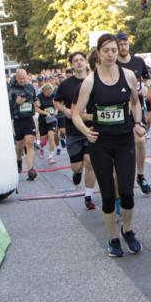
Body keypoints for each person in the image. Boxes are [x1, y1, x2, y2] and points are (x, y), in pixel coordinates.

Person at [72, 34, 145, 257]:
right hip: (101, 144)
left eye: (114, 50)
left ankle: (128, 230)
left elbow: (135, 103)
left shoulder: (129, 75)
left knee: (127, 192)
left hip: (124, 142)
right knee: (106, 195)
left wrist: (138, 123)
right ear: (99, 53)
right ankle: (113, 238)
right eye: (107, 51)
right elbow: (76, 114)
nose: (111, 54)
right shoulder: (90, 81)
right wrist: (86, 131)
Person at [55, 51, 98, 211]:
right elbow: (56, 101)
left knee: (89, 162)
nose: (79, 63)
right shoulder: (66, 84)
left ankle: (88, 196)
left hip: (90, 129)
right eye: (75, 61)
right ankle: (77, 174)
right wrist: (64, 110)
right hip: (73, 130)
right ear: (72, 64)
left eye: (81, 60)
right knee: (77, 166)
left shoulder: (94, 80)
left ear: (86, 62)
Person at [116, 33, 151, 196]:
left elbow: (147, 78)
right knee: (122, 146)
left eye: (125, 44)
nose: (123, 47)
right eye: (120, 44)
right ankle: (122, 180)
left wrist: (146, 87)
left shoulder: (138, 61)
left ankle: (140, 175)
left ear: (129, 44)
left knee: (140, 140)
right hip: (119, 108)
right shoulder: (113, 62)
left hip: (137, 106)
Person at [9, 68, 39, 180]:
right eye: (20, 78)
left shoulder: (30, 87)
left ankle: (31, 170)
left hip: (28, 118)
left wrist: (37, 102)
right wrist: (15, 103)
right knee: (20, 145)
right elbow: (6, 106)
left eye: (24, 78)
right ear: (16, 78)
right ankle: (19, 159)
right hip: (17, 119)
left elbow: (35, 99)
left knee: (30, 142)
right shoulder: (10, 89)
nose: (22, 80)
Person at [35, 82, 60, 165]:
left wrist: (56, 111)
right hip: (43, 120)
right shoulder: (39, 97)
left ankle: (51, 157)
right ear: (44, 90)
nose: (49, 94)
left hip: (52, 120)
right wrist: (45, 113)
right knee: (44, 141)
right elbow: (36, 109)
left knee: (51, 136)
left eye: (51, 92)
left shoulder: (53, 96)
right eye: (48, 92)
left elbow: (57, 106)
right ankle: (41, 147)